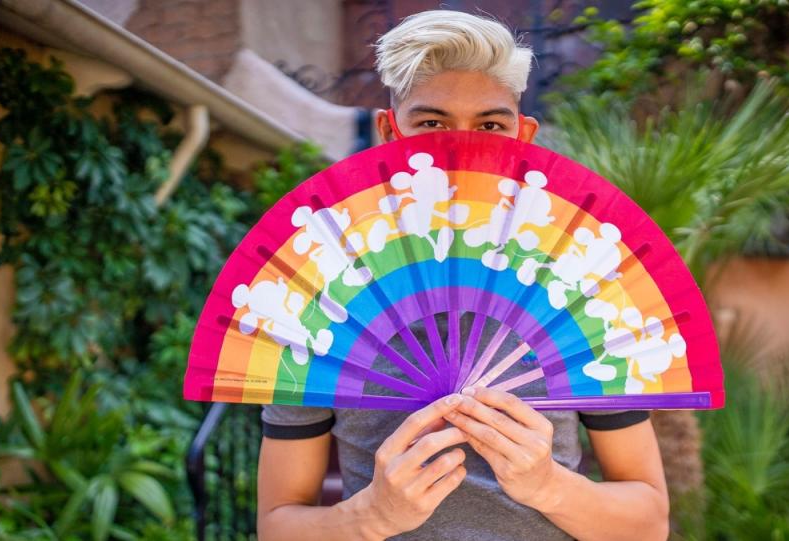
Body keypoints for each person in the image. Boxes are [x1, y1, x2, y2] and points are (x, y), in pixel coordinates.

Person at [256, 10, 669, 541]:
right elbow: (277, 526)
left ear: (523, 138)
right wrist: (371, 516)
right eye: (431, 124)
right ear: (388, 132)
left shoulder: (581, 287)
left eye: (490, 127)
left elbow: (648, 523)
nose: (460, 149)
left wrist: (547, 485)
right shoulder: (317, 295)